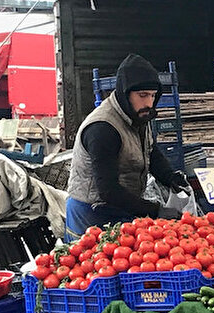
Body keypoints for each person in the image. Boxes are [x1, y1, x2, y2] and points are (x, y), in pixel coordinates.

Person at [65, 54, 189, 241]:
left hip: (121, 207)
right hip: (91, 213)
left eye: (153, 96)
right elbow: (108, 190)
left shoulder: (138, 115)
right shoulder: (103, 128)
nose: (149, 103)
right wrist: (156, 210)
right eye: (142, 95)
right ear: (125, 93)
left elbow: (150, 151)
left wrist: (170, 177)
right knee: (90, 265)